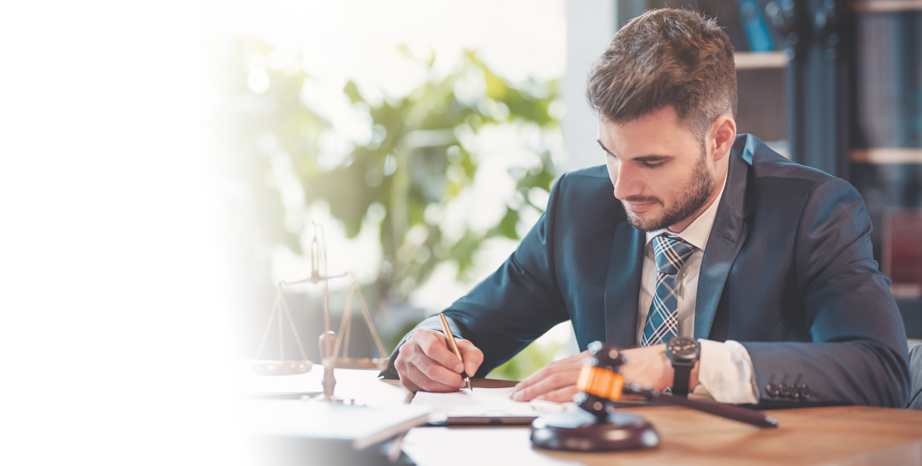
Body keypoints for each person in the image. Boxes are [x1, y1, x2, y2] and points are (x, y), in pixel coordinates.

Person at [379, 8, 909, 408]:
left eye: (652, 161)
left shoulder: (812, 211)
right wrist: (428, 345)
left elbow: (880, 370)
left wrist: (684, 363)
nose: (621, 187)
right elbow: (468, 325)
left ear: (720, 139)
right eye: (610, 154)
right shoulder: (579, 206)